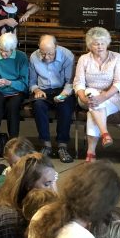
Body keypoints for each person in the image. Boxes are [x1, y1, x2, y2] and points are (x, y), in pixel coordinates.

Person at [73, 27, 120, 163]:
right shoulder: (84, 59)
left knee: (93, 112)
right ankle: (104, 133)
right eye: (96, 43)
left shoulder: (116, 57)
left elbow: (119, 83)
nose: (100, 46)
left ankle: (91, 152)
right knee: (91, 93)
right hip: (87, 98)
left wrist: (104, 96)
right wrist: (84, 98)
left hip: (112, 98)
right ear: (90, 45)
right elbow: (78, 83)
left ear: (107, 43)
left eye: (102, 43)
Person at [28, 35, 76, 163]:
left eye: (50, 53)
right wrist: (36, 90)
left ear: (56, 47)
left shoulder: (67, 56)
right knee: (38, 106)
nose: (46, 57)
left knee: (65, 107)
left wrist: (63, 94)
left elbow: (70, 82)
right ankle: (46, 144)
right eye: (43, 53)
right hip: (43, 90)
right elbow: (32, 81)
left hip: (62, 89)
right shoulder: (34, 56)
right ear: (39, 48)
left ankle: (62, 145)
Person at [0, 32, 28, 144]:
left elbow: (24, 84)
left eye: (7, 51)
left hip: (16, 91)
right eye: (1, 50)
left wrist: (9, 83)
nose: (3, 54)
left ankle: (13, 142)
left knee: (12, 106)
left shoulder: (21, 57)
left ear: (13, 49)